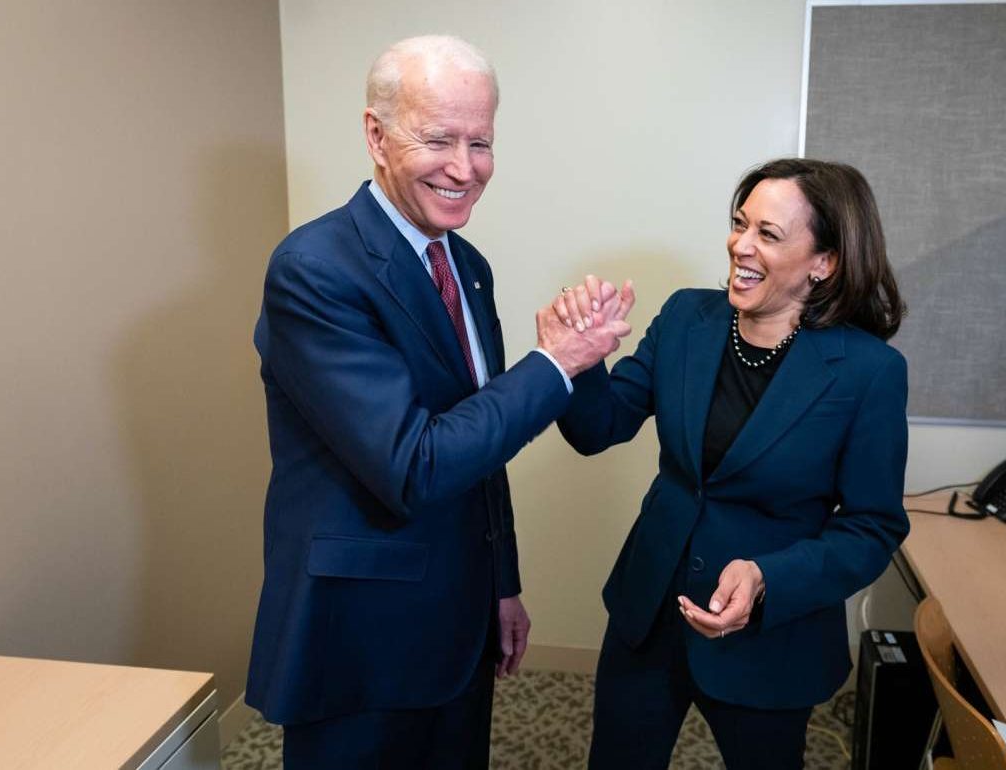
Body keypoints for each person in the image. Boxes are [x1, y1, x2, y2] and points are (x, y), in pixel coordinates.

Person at [245, 36, 632, 768]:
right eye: (438, 139)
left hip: (458, 618)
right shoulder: (314, 269)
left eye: (480, 142)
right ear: (376, 135)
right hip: (360, 636)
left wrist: (500, 583)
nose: (464, 168)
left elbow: (479, 443)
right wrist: (556, 362)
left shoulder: (466, 264)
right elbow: (415, 463)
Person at [553, 158, 909, 769]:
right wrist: (580, 360)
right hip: (650, 612)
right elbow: (596, 429)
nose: (740, 245)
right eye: (740, 224)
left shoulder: (868, 372)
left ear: (825, 262)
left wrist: (769, 578)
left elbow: (872, 527)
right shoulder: (685, 319)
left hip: (770, 639)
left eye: (768, 234)